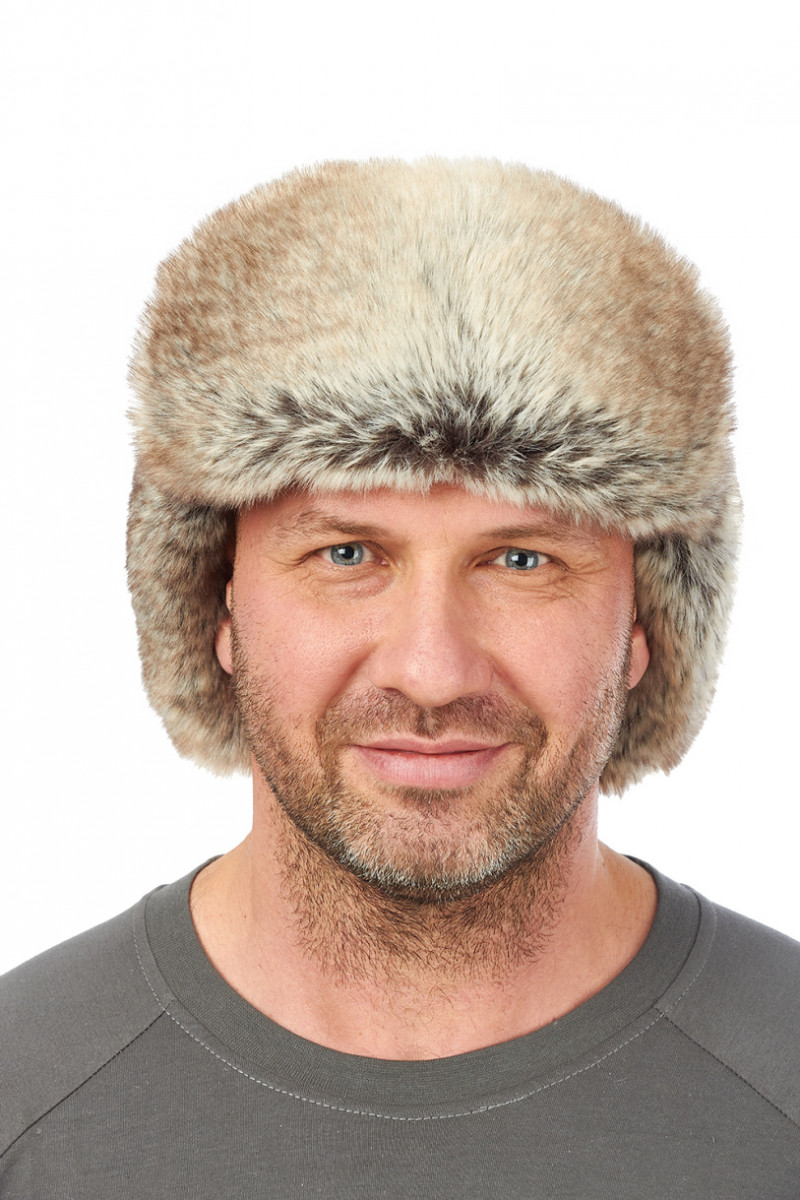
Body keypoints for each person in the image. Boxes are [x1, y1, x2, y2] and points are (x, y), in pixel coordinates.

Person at [1, 159, 798, 1196]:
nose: (430, 672)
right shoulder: (26, 1103)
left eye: (522, 560)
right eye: (345, 555)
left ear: (644, 626)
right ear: (215, 607)